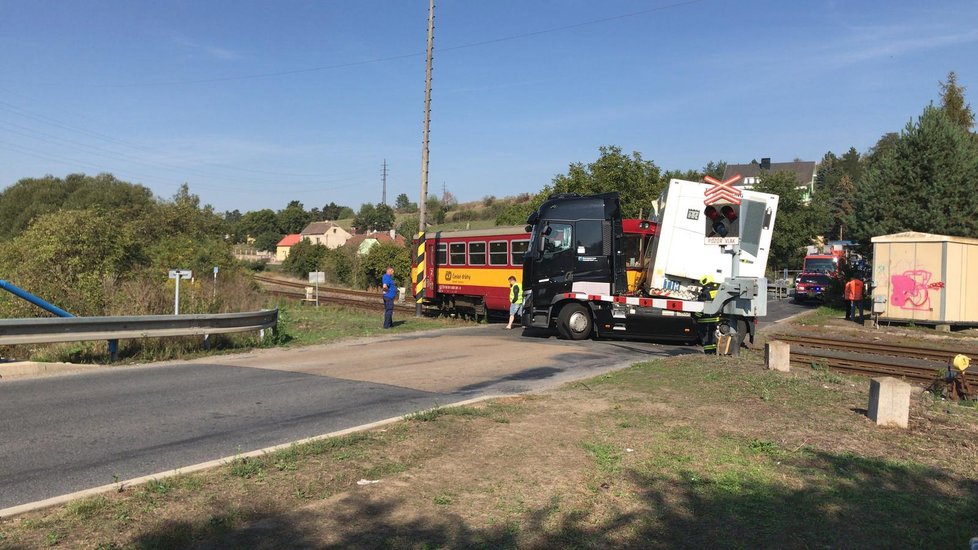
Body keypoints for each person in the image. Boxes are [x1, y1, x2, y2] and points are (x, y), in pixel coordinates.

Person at [693, 275, 720, 354]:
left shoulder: (705, 294)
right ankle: (714, 352)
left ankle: (708, 354)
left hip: (705, 320)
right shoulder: (717, 291)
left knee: (706, 339)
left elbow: (700, 308)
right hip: (715, 319)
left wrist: (695, 318)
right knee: (713, 338)